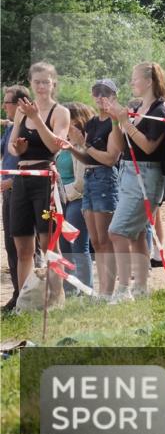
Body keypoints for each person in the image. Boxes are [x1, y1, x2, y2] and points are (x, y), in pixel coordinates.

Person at [107, 63, 165, 303]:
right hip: (128, 172)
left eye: (134, 79)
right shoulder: (137, 108)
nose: (131, 83)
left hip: (147, 175)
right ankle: (141, 289)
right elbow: (119, 145)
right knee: (135, 234)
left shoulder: (160, 111)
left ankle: (124, 289)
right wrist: (117, 121)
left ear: (149, 81)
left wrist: (126, 122)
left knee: (117, 231)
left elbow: (148, 146)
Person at [7, 63, 71, 305]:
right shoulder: (22, 111)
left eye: (46, 81)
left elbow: (56, 145)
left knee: (49, 244)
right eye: (37, 82)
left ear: (54, 82)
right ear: (31, 84)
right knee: (22, 245)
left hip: (46, 179)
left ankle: (55, 299)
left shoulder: (60, 111)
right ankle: (24, 300)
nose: (42, 86)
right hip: (22, 178)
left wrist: (37, 119)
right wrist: (19, 147)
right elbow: (13, 144)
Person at [62, 80, 121, 300]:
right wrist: (72, 147)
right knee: (96, 242)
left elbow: (109, 159)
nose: (100, 97)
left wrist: (84, 145)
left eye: (105, 93)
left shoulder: (115, 122)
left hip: (106, 179)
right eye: (96, 93)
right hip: (90, 178)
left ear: (114, 95)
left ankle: (108, 291)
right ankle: (102, 291)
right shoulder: (93, 122)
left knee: (104, 240)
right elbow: (88, 158)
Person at [56, 102, 94, 294]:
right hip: (62, 198)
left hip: (77, 197)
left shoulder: (83, 144)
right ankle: (70, 288)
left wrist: (65, 194)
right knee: (64, 245)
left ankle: (87, 289)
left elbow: (82, 181)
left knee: (78, 245)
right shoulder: (64, 141)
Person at [1, 86, 30, 311]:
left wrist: (10, 182)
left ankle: (30, 295)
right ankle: (18, 294)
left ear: (20, 103)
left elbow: (32, 164)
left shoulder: (28, 128)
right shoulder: (9, 128)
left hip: (22, 191)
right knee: (11, 247)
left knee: (26, 248)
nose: (3, 106)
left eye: (6, 102)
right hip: (8, 193)